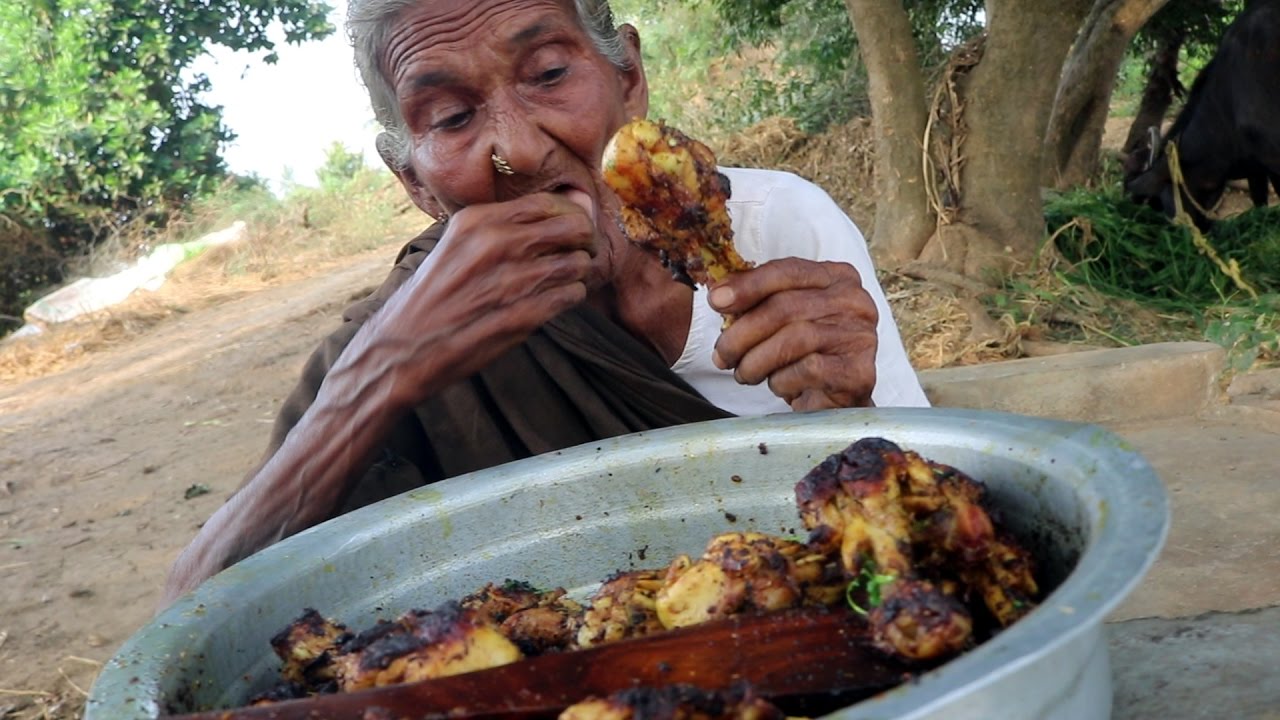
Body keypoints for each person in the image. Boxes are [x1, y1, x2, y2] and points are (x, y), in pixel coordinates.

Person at [160, 0, 929, 606]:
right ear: (416, 183)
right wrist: (380, 377)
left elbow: (927, 531)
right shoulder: (395, 339)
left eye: (550, 73)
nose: (521, 150)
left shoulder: (775, 232)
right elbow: (196, 619)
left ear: (627, 77)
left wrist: (847, 419)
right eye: (454, 119)